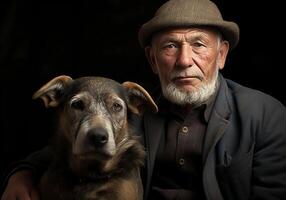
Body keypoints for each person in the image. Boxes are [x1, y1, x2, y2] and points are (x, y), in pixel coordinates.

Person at [1, 0, 286, 199]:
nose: (184, 61)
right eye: (170, 46)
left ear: (221, 55)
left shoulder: (265, 114)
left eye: (198, 45)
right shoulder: (132, 111)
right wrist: (22, 174)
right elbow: (66, 147)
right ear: (152, 59)